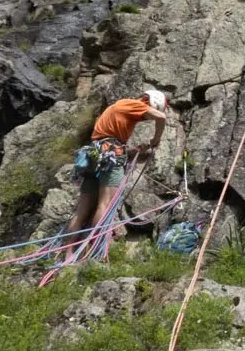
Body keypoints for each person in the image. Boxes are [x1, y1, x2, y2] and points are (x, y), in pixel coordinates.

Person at [62, 88, 169, 255]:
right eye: (149, 114)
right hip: (109, 157)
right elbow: (161, 117)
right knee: (104, 205)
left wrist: (134, 151)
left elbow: (109, 141)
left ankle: (67, 252)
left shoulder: (117, 107)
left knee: (81, 212)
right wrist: (156, 140)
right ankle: (95, 251)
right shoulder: (135, 105)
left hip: (93, 156)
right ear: (152, 103)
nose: (146, 118)